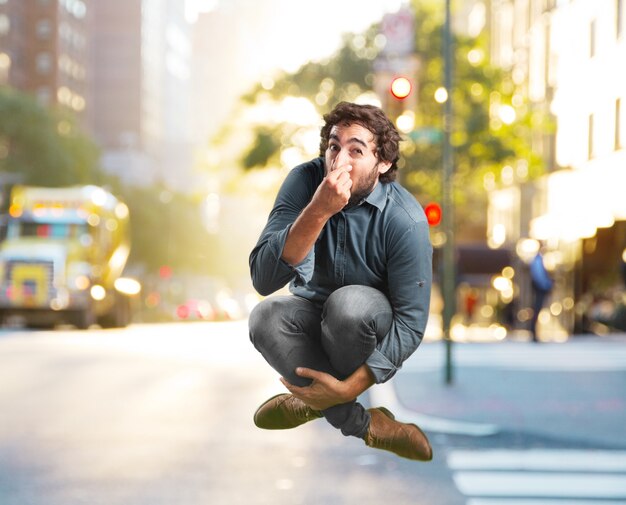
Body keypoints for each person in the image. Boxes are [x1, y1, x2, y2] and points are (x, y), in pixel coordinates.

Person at [248, 102, 433, 461]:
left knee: (348, 305)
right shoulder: (304, 183)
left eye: (356, 150)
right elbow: (263, 278)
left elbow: (411, 323)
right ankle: (364, 424)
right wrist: (318, 210)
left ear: (383, 164)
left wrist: (349, 386)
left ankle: (312, 400)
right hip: (309, 312)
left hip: (364, 321)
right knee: (264, 317)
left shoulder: (405, 220)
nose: (339, 161)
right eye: (334, 146)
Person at [529, 248, 553, 342]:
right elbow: (538, 276)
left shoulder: (538, 260)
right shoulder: (538, 260)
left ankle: (534, 332)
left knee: (537, 310)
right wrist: (546, 285)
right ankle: (533, 332)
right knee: (537, 310)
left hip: (540, 288)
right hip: (540, 289)